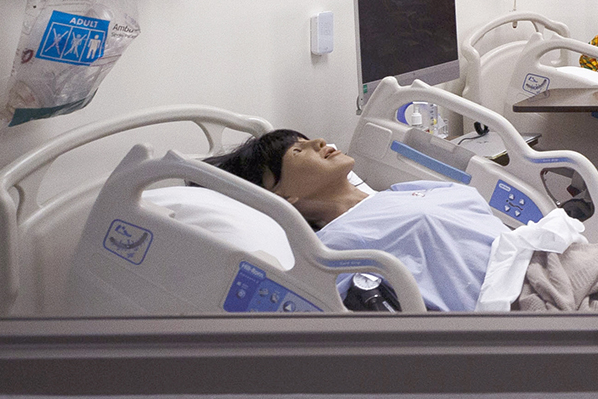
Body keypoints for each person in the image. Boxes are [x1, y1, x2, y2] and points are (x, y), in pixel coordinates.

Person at [205, 130, 507, 312]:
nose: (319, 142)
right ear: (281, 196)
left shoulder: (398, 192)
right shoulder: (332, 249)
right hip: (514, 301)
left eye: (307, 140)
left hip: (536, 257)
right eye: (298, 151)